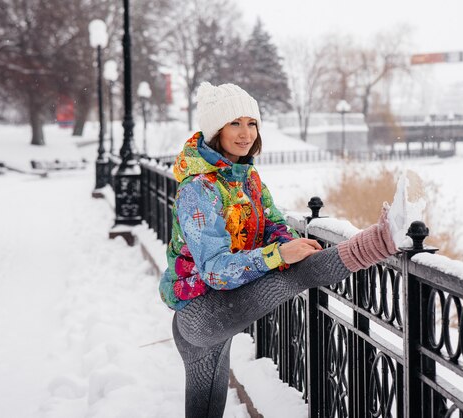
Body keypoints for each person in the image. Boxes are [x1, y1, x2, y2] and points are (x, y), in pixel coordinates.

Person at [159, 82, 405, 418]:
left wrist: (289, 243)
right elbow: (215, 270)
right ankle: (379, 241)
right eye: (235, 123)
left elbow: (272, 225)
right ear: (215, 129)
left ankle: (378, 239)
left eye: (252, 123)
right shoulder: (199, 190)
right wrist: (277, 256)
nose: (246, 134)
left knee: (205, 409)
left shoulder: (246, 178)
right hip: (200, 312)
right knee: (295, 274)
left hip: (219, 307)